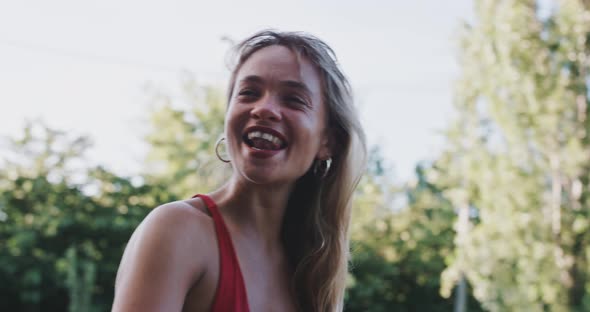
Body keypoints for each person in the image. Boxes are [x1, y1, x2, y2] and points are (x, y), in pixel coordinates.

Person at [112, 30, 367, 312]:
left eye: (293, 99)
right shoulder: (178, 230)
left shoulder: (311, 270)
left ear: (327, 141)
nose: (264, 109)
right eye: (249, 93)